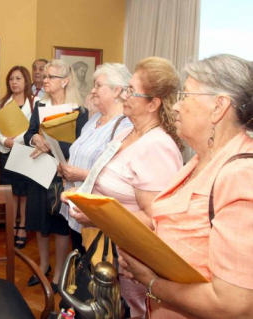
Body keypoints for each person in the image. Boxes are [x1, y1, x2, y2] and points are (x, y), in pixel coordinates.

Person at [118, 54, 253, 318]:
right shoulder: (203, 160)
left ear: (219, 107)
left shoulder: (240, 175)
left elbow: (233, 305)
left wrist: (151, 281)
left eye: (186, 95)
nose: (176, 107)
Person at [62, 57, 183, 317]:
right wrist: (82, 197)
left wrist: (97, 216)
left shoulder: (157, 147)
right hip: (105, 253)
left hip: (130, 262)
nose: (124, 95)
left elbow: (156, 218)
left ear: (153, 103)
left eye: (131, 90)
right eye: (125, 88)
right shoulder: (126, 133)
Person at [24, 59, 88, 293]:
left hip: (62, 174)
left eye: (50, 76)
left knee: (60, 224)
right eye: (45, 76)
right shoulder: (40, 106)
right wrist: (35, 139)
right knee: (41, 223)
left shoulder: (79, 111)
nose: (44, 79)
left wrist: (51, 144)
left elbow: (80, 146)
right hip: (39, 170)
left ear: (65, 81)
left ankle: (60, 270)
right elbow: (28, 134)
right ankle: (43, 265)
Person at [57, 63, 132, 255]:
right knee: (79, 261)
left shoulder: (126, 126)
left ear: (116, 90)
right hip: (78, 208)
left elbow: (121, 177)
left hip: (97, 214)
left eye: (98, 85)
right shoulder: (94, 119)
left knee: (93, 266)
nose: (92, 90)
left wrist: (80, 173)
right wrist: (67, 171)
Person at [0, 65, 37, 249]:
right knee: (11, 193)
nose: (14, 82)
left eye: (18, 78)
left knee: (25, 194)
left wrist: (18, 141)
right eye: (11, 79)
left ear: (26, 81)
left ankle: (23, 227)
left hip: (27, 152)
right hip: (7, 152)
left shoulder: (35, 101)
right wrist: (5, 141)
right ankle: (11, 226)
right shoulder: (4, 102)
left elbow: (35, 128)